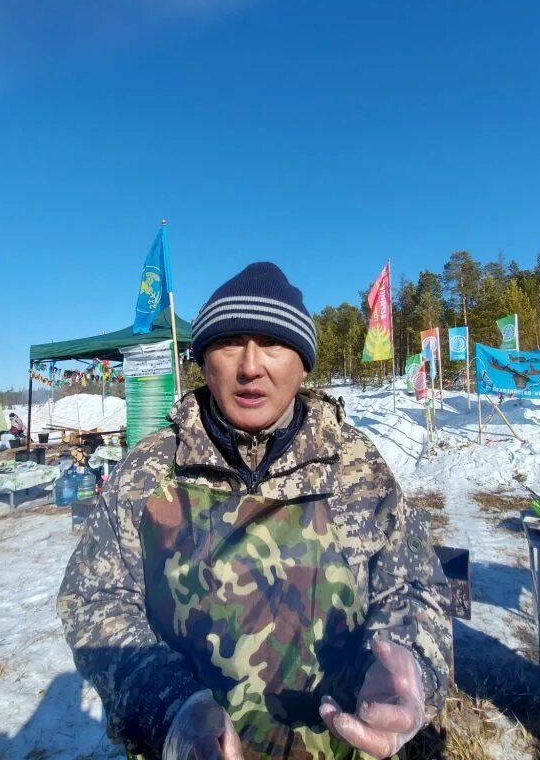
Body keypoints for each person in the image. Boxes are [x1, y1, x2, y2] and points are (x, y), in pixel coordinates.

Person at [58, 263, 451, 760]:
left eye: (273, 342)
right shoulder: (152, 470)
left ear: (303, 363)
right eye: (229, 343)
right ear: (203, 360)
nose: (250, 366)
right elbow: (94, 599)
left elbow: (415, 586)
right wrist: (168, 706)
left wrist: (411, 666)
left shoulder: (357, 467)